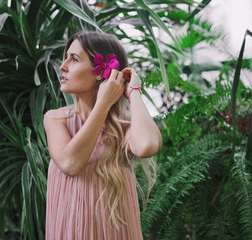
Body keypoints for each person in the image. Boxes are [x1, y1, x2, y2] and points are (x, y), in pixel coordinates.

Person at [44, 31, 162, 240]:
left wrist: (134, 90)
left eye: (74, 59)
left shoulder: (122, 127)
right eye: (65, 58)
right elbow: (70, 163)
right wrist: (103, 103)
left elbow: (147, 146)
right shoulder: (55, 119)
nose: (63, 66)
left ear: (100, 72)